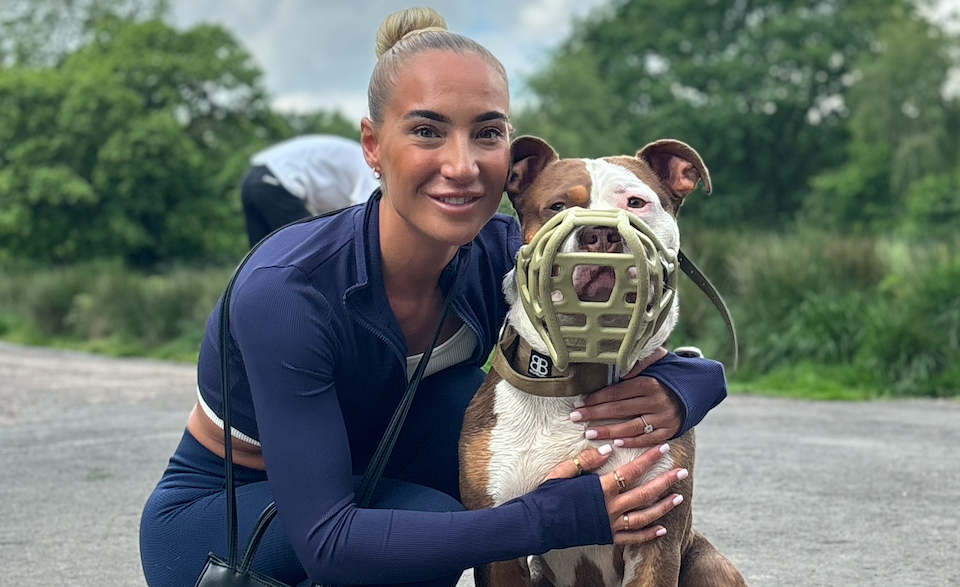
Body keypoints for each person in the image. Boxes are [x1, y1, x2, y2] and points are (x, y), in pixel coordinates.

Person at [139, 8, 730, 587]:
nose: (462, 165)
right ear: (372, 145)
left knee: (464, 401)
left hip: (373, 471)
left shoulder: (507, 253)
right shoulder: (288, 289)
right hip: (233, 516)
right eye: (427, 131)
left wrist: (685, 388)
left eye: (487, 133)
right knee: (433, 528)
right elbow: (327, 542)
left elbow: (625, 325)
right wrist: (555, 518)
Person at [241, 134, 380, 247]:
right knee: (311, 249)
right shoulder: (371, 167)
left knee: (260, 256)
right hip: (278, 180)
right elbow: (365, 217)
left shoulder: (357, 157)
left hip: (254, 178)